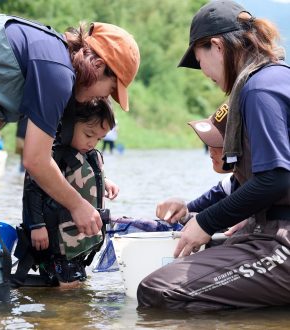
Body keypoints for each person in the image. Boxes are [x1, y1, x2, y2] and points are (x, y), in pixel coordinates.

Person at [0, 14, 139, 302]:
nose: (106, 98)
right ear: (98, 66)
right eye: (111, 89)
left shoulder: (47, 54)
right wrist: (78, 205)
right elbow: (35, 160)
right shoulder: (58, 72)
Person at [138, 0, 290, 311]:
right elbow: (245, 185)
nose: (204, 72)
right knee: (200, 248)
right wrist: (193, 214)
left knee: (159, 290)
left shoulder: (259, 88)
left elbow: (276, 178)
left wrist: (206, 222)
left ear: (217, 47)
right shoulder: (273, 79)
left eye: (199, 60)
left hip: (281, 242)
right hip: (269, 229)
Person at [12, 98, 119, 288]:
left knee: (77, 285)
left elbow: (84, 177)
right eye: (88, 134)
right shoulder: (53, 156)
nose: (92, 143)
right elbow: (32, 189)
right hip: (57, 240)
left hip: (76, 243)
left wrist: (105, 182)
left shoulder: (87, 154)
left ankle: (69, 313)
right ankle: (60, 317)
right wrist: (37, 225)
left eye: (99, 139)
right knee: (68, 288)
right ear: (69, 124)